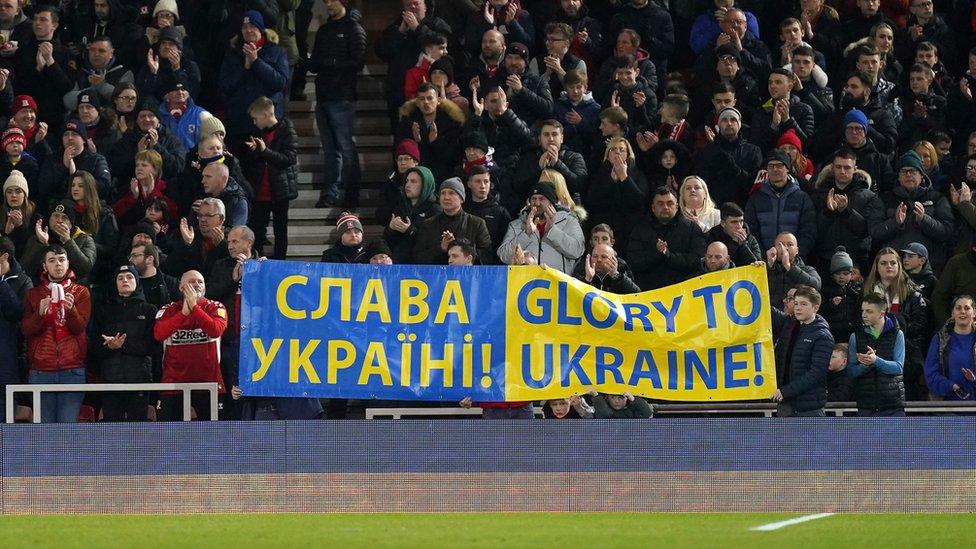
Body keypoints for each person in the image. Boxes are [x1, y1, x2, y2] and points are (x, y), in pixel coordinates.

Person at [21, 245, 91, 423]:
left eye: (61, 260)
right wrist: (39, 314)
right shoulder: (33, 294)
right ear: (44, 266)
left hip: (72, 368)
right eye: (52, 260)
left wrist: (71, 310)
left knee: (67, 426)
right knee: (45, 429)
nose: (58, 264)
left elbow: (79, 327)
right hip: (41, 370)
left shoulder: (81, 292)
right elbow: (26, 330)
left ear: (68, 263)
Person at [309, 0, 366, 208]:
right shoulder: (324, 30)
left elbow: (358, 62)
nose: (328, 4)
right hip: (323, 95)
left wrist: (332, 64)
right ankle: (330, 193)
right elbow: (315, 61)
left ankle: (351, 194)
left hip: (342, 97)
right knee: (330, 150)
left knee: (346, 148)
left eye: (332, 0)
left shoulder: (354, 29)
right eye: (326, 1)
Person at [153, 269, 228, 420]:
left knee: (214, 439)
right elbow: (159, 334)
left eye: (200, 282)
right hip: (173, 386)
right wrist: (184, 313)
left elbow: (215, 330)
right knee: (169, 439)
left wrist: (194, 308)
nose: (197, 285)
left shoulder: (215, 307)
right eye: (192, 281)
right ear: (181, 288)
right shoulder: (168, 309)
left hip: (209, 385)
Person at [90, 264, 158, 421]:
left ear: (137, 281)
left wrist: (123, 345)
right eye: (120, 278)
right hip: (110, 381)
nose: (124, 280)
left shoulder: (149, 310)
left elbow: (152, 346)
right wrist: (110, 347)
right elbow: (95, 347)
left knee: (137, 431)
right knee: (113, 432)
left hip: (140, 380)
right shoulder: (103, 310)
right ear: (115, 283)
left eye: (129, 277)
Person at [862, 247, 930, 401]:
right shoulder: (865, 294)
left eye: (893, 263)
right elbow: (860, 323)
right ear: (877, 268)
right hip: (874, 351)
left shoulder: (913, 294)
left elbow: (920, 325)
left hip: (907, 356)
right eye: (884, 263)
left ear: (899, 267)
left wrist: (896, 332)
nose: (889, 266)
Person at [870, 151, 954, 272]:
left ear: (921, 175)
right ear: (898, 176)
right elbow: (875, 231)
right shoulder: (884, 199)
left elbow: (946, 231)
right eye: (904, 171)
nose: (908, 175)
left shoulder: (937, 198)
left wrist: (924, 220)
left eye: (913, 171)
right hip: (894, 268)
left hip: (928, 268)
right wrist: (896, 222)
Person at [217, 10, 289, 142]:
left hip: (267, 122)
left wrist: (257, 62)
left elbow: (281, 82)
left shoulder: (277, 51)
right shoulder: (232, 53)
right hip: (239, 121)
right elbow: (225, 86)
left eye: (253, 26)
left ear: (261, 29)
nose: (248, 30)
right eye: (244, 27)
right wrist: (245, 68)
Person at [242, 96, 298, 260]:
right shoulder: (258, 133)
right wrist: (254, 151)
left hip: (280, 190)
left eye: (256, 118)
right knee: (257, 230)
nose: (254, 122)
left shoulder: (287, 131)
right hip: (260, 190)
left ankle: (280, 263)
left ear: (266, 114)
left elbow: (288, 159)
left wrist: (265, 151)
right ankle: (256, 260)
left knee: (280, 230)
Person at [770, 285, 833, 417]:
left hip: (809, 408)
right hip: (786, 405)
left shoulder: (822, 335)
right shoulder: (789, 323)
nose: (798, 307)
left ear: (815, 307)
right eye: (796, 303)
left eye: (803, 304)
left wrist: (786, 391)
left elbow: (816, 373)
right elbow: (764, 307)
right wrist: (757, 270)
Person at [627, 186, 706, 290]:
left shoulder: (691, 228)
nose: (665, 207)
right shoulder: (640, 229)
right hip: (648, 293)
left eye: (670, 203)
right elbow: (633, 261)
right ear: (653, 208)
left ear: (677, 207)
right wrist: (657, 254)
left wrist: (669, 255)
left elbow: (697, 260)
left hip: (684, 291)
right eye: (660, 204)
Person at [745, 149, 817, 257]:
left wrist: (796, 255)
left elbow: (808, 230)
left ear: (787, 168)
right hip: (765, 261)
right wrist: (763, 256)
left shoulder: (802, 198)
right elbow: (751, 230)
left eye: (779, 165)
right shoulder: (756, 198)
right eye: (771, 166)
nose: (775, 169)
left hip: (795, 261)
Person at [497, 184, 584, 273]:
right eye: (534, 199)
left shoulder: (569, 221)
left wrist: (552, 230)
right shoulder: (515, 225)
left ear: (551, 202)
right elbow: (504, 256)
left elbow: (577, 251)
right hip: (525, 284)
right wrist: (526, 234)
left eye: (542, 199)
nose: (537, 203)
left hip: (557, 283)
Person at [846, 292, 906, 416]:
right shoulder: (855, 337)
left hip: (893, 405)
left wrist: (875, 361)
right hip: (866, 406)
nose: (864, 315)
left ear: (881, 314)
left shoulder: (897, 334)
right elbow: (851, 372)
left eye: (869, 311)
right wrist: (866, 365)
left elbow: (898, 367)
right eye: (863, 311)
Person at [413, 178, 492, 265]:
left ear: (461, 199)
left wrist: (463, 252)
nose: (446, 197)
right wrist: (441, 248)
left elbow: (487, 255)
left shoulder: (477, 223)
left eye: (451, 193)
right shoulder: (427, 224)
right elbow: (417, 258)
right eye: (443, 193)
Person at [22, 201, 97, 286]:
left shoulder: (85, 239)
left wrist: (68, 241)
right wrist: (42, 244)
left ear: (71, 223)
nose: (59, 221)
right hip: (42, 289)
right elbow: (26, 268)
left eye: (64, 218)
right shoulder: (37, 238)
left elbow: (85, 268)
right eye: (56, 216)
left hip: (74, 289)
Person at [924, 295, 976, 401]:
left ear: (974, 313)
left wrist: (974, 380)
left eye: (967, 308)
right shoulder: (940, 339)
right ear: (952, 313)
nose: (962, 311)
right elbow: (930, 374)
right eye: (958, 308)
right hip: (947, 408)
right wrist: (951, 386)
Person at [384, 166, 439, 264]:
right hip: (400, 265)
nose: (407, 185)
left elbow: (434, 243)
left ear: (425, 185)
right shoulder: (401, 206)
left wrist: (410, 231)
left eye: (413, 181)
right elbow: (388, 241)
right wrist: (390, 229)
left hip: (426, 268)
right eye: (407, 181)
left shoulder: (435, 210)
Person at [707, 202, 763, 267]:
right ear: (723, 223)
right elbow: (714, 265)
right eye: (734, 222)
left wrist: (743, 245)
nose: (739, 226)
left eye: (741, 221)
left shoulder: (751, 239)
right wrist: (734, 244)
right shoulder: (711, 237)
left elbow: (757, 265)